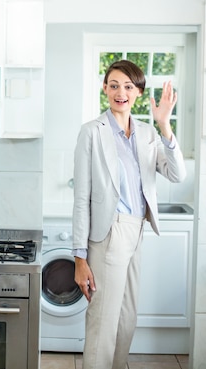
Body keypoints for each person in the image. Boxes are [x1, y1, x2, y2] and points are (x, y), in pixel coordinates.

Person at [72, 60, 186, 369]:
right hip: (109, 233)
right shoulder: (92, 133)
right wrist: (79, 258)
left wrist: (165, 125)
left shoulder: (148, 134)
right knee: (104, 320)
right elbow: (81, 197)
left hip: (137, 230)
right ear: (105, 89)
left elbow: (177, 174)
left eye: (128, 86)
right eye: (113, 85)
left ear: (137, 92)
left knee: (126, 317)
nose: (120, 92)